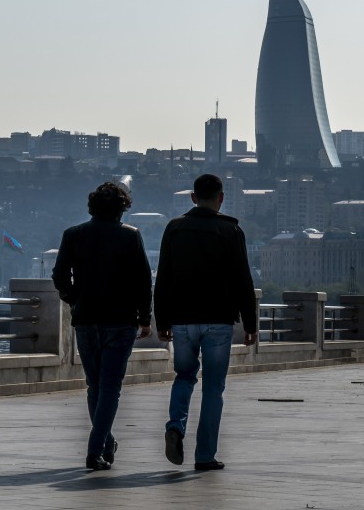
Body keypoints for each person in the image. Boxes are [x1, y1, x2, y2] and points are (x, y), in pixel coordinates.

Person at [154, 173, 258, 472]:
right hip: (219, 321)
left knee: (184, 377)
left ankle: (175, 426)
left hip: (183, 321)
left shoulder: (174, 228)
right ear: (221, 198)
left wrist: (162, 321)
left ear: (193, 197)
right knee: (213, 388)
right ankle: (205, 456)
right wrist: (250, 323)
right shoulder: (230, 230)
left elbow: (163, 277)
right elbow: (243, 279)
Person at [52, 182, 153, 471]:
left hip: (86, 320)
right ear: (122, 209)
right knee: (109, 388)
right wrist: (145, 318)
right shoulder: (130, 236)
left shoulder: (73, 235)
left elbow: (60, 276)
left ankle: (106, 443)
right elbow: (143, 280)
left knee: (95, 386)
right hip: (120, 321)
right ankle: (96, 449)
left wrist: (74, 299)